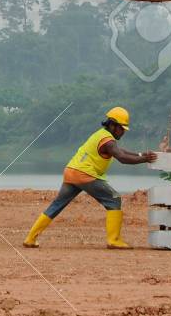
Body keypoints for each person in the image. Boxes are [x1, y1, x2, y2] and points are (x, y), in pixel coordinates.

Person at [23, 106, 157, 249]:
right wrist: (145, 160)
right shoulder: (108, 140)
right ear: (112, 125)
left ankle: (30, 238)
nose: (123, 132)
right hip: (84, 174)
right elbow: (122, 158)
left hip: (71, 171)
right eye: (121, 128)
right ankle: (114, 240)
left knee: (57, 205)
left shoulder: (102, 136)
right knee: (114, 199)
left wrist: (142, 155)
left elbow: (120, 151)